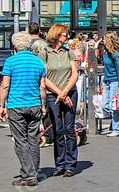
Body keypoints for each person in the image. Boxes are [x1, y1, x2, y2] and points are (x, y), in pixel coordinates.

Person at [0, 31, 47, 187]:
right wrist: (43, 105)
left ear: (15, 46)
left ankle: (29, 174)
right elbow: (42, 87)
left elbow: (5, 85)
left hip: (16, 105)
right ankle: (33, 170)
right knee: (33, 138)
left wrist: (2, 105)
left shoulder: (11, 62)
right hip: (34, 104)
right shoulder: (38, 62)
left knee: (20, 141)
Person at [43, 24, 79, 177]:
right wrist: (59, 93)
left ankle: (70, 164)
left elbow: (74, 74)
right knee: (58, 129)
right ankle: (59, 164)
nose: (67, 37)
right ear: (57, 35)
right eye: (64, 35)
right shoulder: (44, 53)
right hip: (53, 94)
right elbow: (44, 77)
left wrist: (65, 92)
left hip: (69, 92)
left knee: (69, 129)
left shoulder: (68, 52)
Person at [99, 31, 119, 137]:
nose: (103, 41)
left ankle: (117, 129)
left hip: (115, 81)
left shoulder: (115, 54)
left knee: (113, 106)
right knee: (105, 105)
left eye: (105, 39)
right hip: (106, 80)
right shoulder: (105, 53)